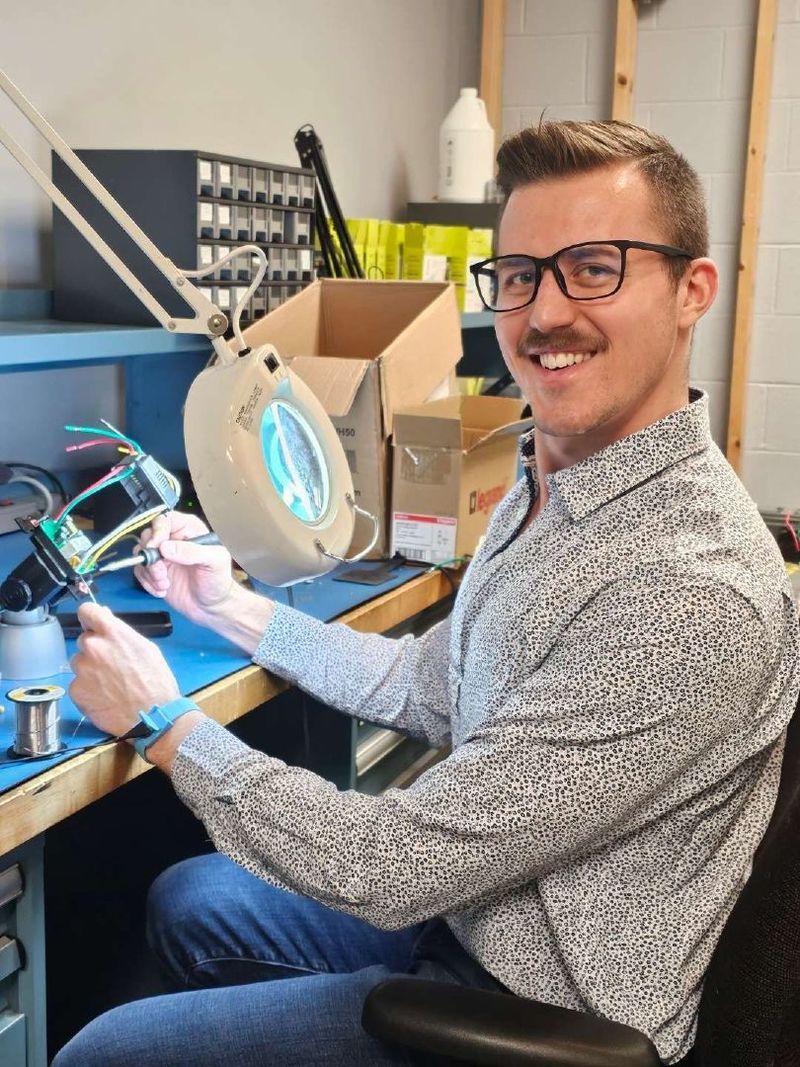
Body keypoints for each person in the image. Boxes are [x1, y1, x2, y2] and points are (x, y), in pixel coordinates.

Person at [53, 120, 799, 1067]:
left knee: (97, 1054)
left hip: (534, 1006)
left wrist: (162, 720)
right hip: (481, 905)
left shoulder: (687, 593)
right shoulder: (558, 481)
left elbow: (385, 865)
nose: (543, 314)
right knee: (192, 902)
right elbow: (433, 686)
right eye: (521, 274)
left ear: (693, 290)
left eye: (595, 268)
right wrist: (230, 607)